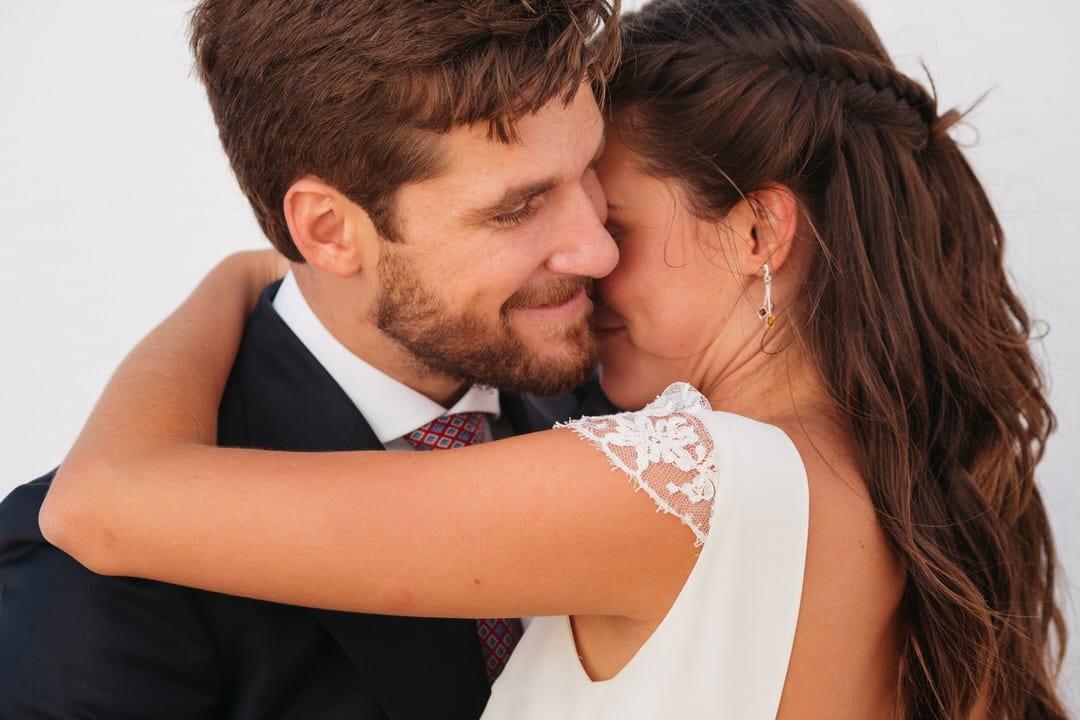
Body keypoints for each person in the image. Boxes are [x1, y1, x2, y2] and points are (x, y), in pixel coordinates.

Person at [41, 0, 1069, 717]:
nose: (593, 253)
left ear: (760, 234)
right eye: (531, 202)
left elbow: (99, 506)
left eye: (606, 203)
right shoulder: (909, 482)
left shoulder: (669, 481)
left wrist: (229, 282)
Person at [0, 1, 621, 718]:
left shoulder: (629, 411)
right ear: (328, 231)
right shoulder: (104, 572)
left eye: (591, 169)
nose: (598, 248)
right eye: (517, 209)